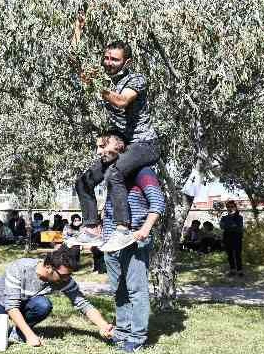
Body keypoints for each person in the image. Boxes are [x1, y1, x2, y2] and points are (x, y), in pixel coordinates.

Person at [71, 13, 160, 250]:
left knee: (116, 174)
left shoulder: (137, 80)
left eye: (115, 60)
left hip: (145, 145)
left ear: (126, 63)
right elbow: (75, 60)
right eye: (106, 58)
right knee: (83, 183)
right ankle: (91, 228)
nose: (109, 63)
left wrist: (96, 85)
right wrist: (78, 30)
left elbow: (121, 102)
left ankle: (123, 228)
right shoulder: (104, 77)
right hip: (124, 145)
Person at [0, 245, 114, 347]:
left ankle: (17, 333)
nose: (66, 279)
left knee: (43, 305)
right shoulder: (19, 268)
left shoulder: (63, 278)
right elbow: (11, 306)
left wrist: (102, 325)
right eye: (63, 275)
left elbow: (82, 303)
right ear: (49, 267)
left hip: (23, 304)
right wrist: (31, 336)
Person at [94, 132, 165, 352]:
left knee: (136, 290)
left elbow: (158, 203)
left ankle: (137, 336)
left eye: (102, 147)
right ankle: (122, 332)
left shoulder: (142, 171)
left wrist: (144, 229)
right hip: (110, 242)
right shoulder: (112, 174)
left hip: (134, 240)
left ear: (119, 147)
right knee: (118, 290)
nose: (98, 152)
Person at [220, 201, 245, 277]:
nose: (230, 208)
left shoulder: (239, 217)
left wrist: (229, 225)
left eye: (232, 206)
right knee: (230, 254)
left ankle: (240, 270)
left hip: (237, 237)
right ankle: (232, 270)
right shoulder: (224, 217)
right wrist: (232, 225)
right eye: (228, 207)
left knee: (237, 254)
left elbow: (239, 227)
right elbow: (222, 226)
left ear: (235, 207)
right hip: (227, 237)